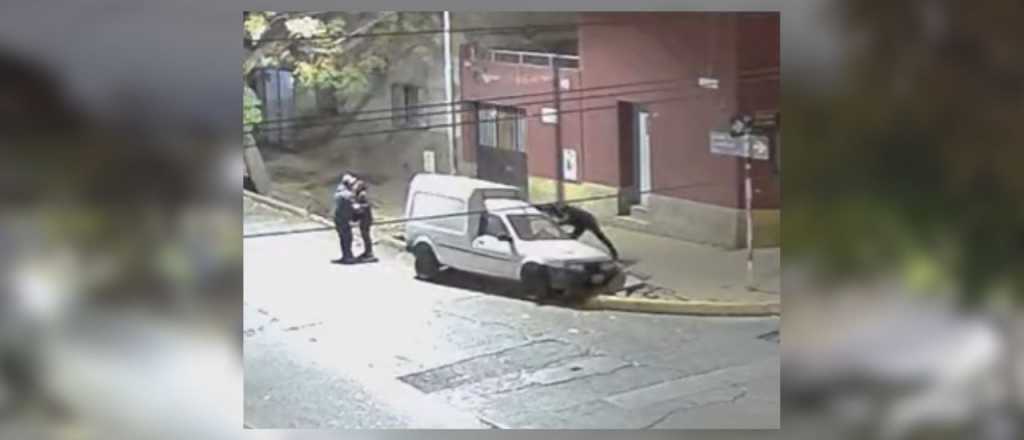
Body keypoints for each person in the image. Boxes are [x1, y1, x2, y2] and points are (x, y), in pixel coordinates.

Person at [538, 202, 619, 260]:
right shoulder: (568, 211)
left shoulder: (570, 212)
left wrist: (555, 224)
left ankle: (613, 251)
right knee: (572, 238)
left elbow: (566, 221)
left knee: (600, 236)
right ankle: (570, 254)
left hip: (589, 221)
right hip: (580, 223)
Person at [331, 173, 358, 264]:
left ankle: (346, 255)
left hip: (339, 218)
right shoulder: (347, 195)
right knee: (347, 238)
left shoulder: (339, 193)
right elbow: (352, 207)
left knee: (344, 238)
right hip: (343, 219)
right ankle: (348, 256)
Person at [350, 179, 378, 263]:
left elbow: (366, 206)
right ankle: (367, 251)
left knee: (366, 236)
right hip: (364, 218)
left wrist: (357, 207)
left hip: (366, 219)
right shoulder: (360, 195)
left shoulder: (362, 195)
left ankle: (369, 253)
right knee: (365, 235)